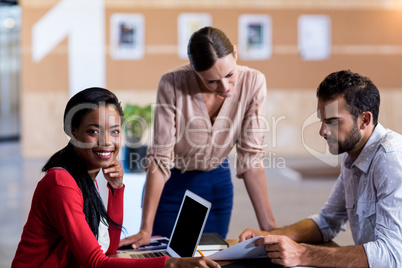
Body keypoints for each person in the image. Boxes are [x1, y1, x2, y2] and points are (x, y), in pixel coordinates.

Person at [12, 87, 219, 268]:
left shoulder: (84, 175)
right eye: (94, 131)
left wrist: (116, 188)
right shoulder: (62, 184)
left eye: (115, 131)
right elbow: (96, 262)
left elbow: (109, 247)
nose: (107, 141)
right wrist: (173, 263)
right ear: (73, 132)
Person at [120, 26, 276, 249]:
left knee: (209, 258)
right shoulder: (172, 83)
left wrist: (271, 230)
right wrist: (145, 229)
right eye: (211, 81)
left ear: (235, 52)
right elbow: (160, 158)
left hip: (216, 184)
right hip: (173, 185)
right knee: (170, 259)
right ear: (194, 68)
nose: (224, 87)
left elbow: (251, 157)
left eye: (230, 74)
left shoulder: (254, 82)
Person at [240, 70, 402, 267]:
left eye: (332, 122)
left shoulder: (390, 160)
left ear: (364, 120)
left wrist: (302, 253)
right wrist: (269, 235)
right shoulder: (352, 155)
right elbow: (328, 220)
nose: (323, 131)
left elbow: (392, 255)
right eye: (322, 120)